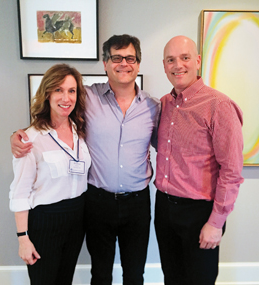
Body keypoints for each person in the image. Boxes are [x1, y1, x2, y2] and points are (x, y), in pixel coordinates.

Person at [10, 34, 161, 285]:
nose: (123, 63)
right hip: (97, 202)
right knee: (100, 273)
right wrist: (15, 136)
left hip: (138, 203)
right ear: (105, 63)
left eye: (130, 58)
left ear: (138, 63)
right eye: (116, 57)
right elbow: (53, 115)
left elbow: (169, 145)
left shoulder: (153, 108)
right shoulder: (87, 98)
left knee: (135, 273)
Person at [154, 35, 244, 285]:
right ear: (164, 65)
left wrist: (216, 223)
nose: (177, 65)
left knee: (199, 280)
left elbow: (232, 171)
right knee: (171, 278)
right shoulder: (163, 104)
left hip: (199, 212)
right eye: (171, 60)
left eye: (184, 58)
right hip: (164, 208)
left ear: (197, 61)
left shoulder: (219, 105)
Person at [9, 64, 91, 285]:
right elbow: (20, 192)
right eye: (59, 90)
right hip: (45, 221)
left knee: (65, 280)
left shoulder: (81, 130)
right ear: (47, 93)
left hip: (77, 218)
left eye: (71, 91)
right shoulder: (30, 138)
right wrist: (23, 238)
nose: (66, 98)